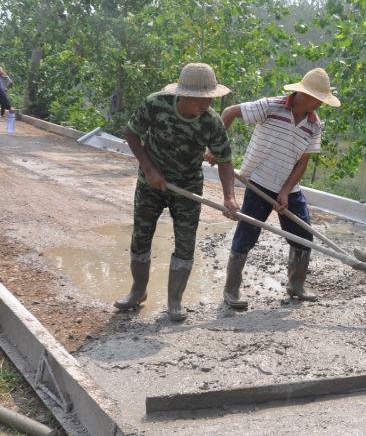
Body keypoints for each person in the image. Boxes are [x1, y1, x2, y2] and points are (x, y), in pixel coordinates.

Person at [114, 63, 239, 321]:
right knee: (141, 236)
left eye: (210, 99)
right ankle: (138, 291)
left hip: (187, 187)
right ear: (183, 95)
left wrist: (229, 197)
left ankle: (175, 300)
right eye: (200, 99)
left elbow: (225, 160)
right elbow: (131, 133)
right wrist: (149, 169)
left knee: (185, 242)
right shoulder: (156, 105)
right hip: (151, 184)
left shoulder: (211, 122)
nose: (206, 104)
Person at [214, 68, 339, 309]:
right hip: (258, 181)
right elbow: (229, 112)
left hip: (288, 189)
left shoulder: (314, 125)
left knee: (303, 236)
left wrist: (285, 191)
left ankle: (296, 285)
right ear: (304, 94)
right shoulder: (271, 107)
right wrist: (216, 147)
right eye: (318, 99)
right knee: (247, 235)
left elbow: (303, 161)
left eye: (323, 101)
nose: (320, 105)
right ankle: (231, 290)